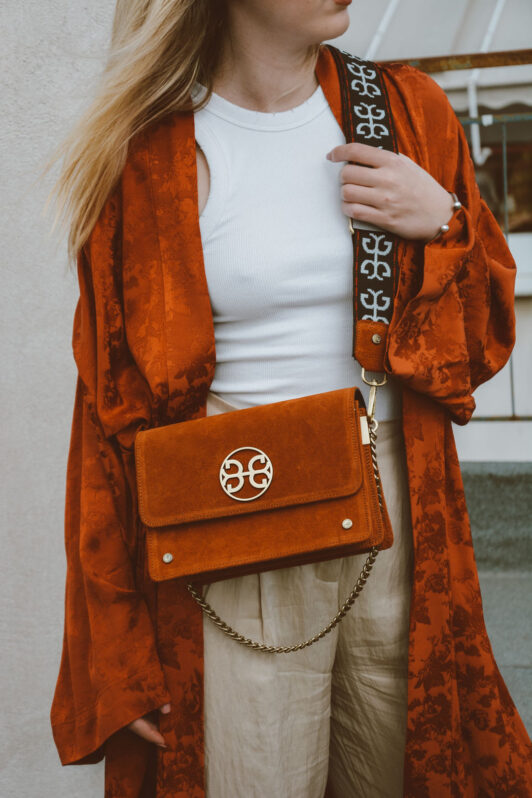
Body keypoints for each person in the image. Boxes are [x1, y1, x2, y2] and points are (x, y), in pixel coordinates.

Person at [49, 1, 532, 796]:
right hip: (230, 525)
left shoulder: (407, 114)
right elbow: (107, 415)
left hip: (395, 522)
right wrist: (112, 645)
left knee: (401, 769)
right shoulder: (146, 156)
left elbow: (475, 349)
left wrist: (444, 221)